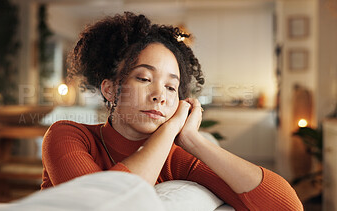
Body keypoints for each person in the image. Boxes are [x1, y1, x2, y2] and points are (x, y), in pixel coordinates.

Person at [41, 12, 303, 210]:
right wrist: (169, 131)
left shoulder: (177, 159)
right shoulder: (67, 135)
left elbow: (287, 206)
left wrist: (192, 140)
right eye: (144, 79)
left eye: (171, 87)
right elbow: (104, 205)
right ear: (110, 90)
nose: (159, 96)